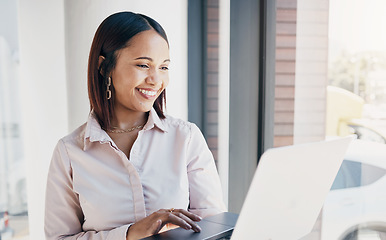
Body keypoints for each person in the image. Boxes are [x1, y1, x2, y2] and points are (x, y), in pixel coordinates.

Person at [44, 11, 226, 240]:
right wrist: (129, 234)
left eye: (164, 67)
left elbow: (214, 227)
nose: (156, 79)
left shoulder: (186, 138)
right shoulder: (69, 152)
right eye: (143, 65)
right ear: (104, 67)